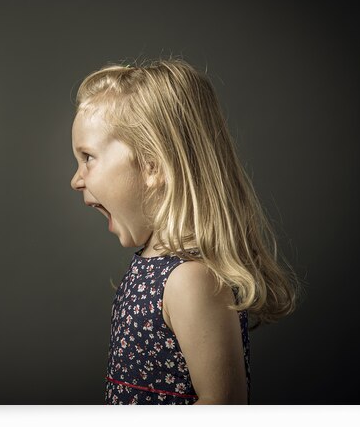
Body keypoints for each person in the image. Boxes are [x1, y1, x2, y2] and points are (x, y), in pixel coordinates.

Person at [70, 59, 297, 405]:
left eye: (87, 157)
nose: (76, 179)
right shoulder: (150, 265)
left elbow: (223, 405)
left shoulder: (191, 280)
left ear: (152, 165)